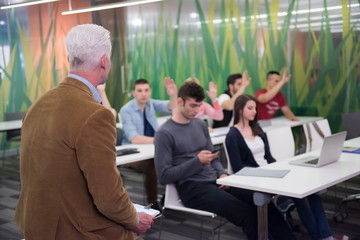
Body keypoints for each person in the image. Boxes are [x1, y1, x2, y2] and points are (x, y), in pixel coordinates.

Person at [14, 24, 153, 240]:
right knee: (135, 232)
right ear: (104, 61)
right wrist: (135, 219)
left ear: (71, 57)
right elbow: (108, 198)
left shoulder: (37, 105)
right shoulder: (96, 115)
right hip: (70, 230)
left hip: (33, 224)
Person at [154, 82, 296, 240]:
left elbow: (213, 157)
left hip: (215, 181)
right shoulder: (164, 133)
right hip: (192, 187)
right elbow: (164, 176)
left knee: (262, 201)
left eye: (199, 106)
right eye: (193, 106)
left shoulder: (200, 125)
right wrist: (197, 161)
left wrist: (222, 174)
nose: (197, 110)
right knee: (247, 213)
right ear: (180, 102)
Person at [225, 94, 336, 240]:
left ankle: (325, 235)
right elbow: (238, 168)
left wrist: (281, 170)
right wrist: (264, 174)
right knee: (299, 193)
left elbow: (269, 157)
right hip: (255, 178)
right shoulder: (233, 135)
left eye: (255, 108)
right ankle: (318, 236)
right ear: (239, 110)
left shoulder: (256, 128)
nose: (254, 111)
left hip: (270, 173)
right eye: (250, 108)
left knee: (310, 192)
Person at [119, 77, 177, 210]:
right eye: (140, 91)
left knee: (174, 159)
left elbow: (171, 106)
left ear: (150, 92)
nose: (143, 94)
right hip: (132, 155)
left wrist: (173, 94)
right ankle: (153, 204)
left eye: (146, 90)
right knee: (152, 164)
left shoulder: (150, 103)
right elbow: (134, 139)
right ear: (134, 93)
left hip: (151, 149)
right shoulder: (126, 110)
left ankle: (168, 197)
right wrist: (160, 140)